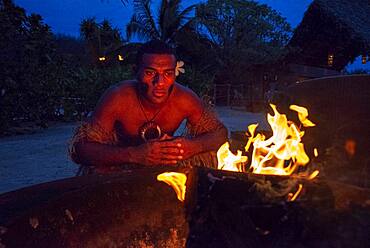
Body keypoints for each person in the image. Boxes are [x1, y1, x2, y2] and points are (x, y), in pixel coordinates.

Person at [69, 40, 227, 174]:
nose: (160, 83)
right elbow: (82, 150)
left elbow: (220, 133)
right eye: (151, 73)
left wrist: (191, 147)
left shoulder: (185, 99)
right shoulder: (117, 97)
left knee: (210, 158)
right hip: (118, 171)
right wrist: (134, 155)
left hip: (163, 170)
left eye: (168, 74)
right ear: (136, 71)